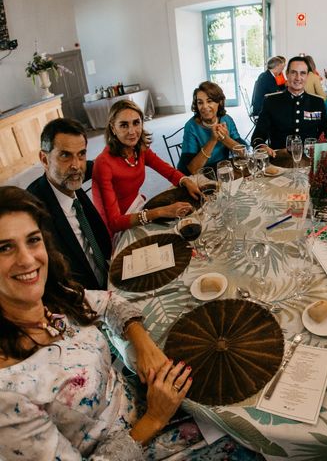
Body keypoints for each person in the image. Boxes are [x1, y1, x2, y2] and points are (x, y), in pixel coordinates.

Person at [0, 186, 194, 459]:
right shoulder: (7, 398)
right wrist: (154, 419)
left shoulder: (52, 300)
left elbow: (110, 302)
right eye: (5, 247)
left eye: (32, 240)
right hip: (144, 439)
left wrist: (141, 341)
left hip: (144, 393)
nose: (27, 259)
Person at [92, 100, 199, 235]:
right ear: (113, 128)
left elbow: (168, 172)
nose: (132, 131)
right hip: (119, 227)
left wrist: (185, 180)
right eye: (124, 125)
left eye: (136, 123)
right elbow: (114, 223)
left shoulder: (139, 149)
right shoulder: (103, 163)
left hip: (138, 208)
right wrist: (161, 211)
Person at [27, 118, 111, 290]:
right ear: (44, 159)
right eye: (65, 155)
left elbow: (97, 165)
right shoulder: (34, 213)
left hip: (109, 277)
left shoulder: (68, 179)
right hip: (82, 299)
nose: (76, 166)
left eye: (81, 154)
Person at [251, 56, 327, 152]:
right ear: (287, 74)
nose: (298, 78)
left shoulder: (317, 102)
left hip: (309, 160)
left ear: (307, 76)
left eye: (302, 73)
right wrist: (262, 147)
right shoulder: (271, 101)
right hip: (279, 161)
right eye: (294, 72)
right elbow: (257, 136)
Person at [177, 81, 247, 175]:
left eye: (209, 101)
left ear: (220, 102)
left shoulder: (226, 119)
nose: (205, 107)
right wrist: (213, 140)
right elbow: (190, 169)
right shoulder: (191, 127)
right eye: (200, 103)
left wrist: (225, 139)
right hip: (203, 174)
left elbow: (244, 153)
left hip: (225, 170)